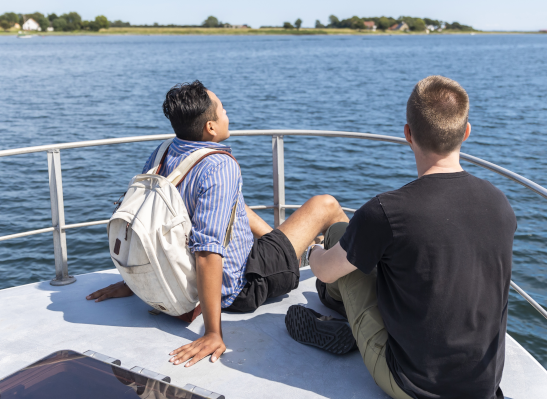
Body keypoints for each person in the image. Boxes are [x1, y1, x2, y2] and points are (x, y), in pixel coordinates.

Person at [296, 75, 516, 399]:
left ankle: (343, 317)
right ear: (466, 132)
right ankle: (348, 315)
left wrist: (314, 254)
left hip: (411, 383)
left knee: (340, 234)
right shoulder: (500, 203)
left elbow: (324, 271)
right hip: (481, 389)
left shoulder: (387, 211)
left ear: (408, 134)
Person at [87, 80, 350, 368]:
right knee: (326, 205)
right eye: (223, 109)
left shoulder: (164, 152)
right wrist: (213, 332)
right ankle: (346, 288)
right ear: (211, 128)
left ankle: (290, 252)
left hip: (177, 275)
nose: (227, 113)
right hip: (242, 286)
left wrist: (135, 281)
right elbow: (207, 251)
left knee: (234, 204)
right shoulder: (220, 166)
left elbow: (145, 218)